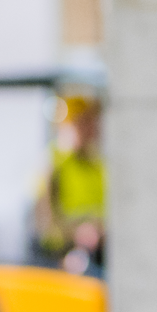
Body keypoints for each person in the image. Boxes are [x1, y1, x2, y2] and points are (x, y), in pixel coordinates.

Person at [33, 94, 106, 275]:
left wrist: (98, 228)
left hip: (97, 250)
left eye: (92, 122)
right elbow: (45, 222)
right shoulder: (52, 164)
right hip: (62, 255)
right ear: (67, 126)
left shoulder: (97, 165)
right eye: (84, 122)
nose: (93, 129)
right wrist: (77, 232)